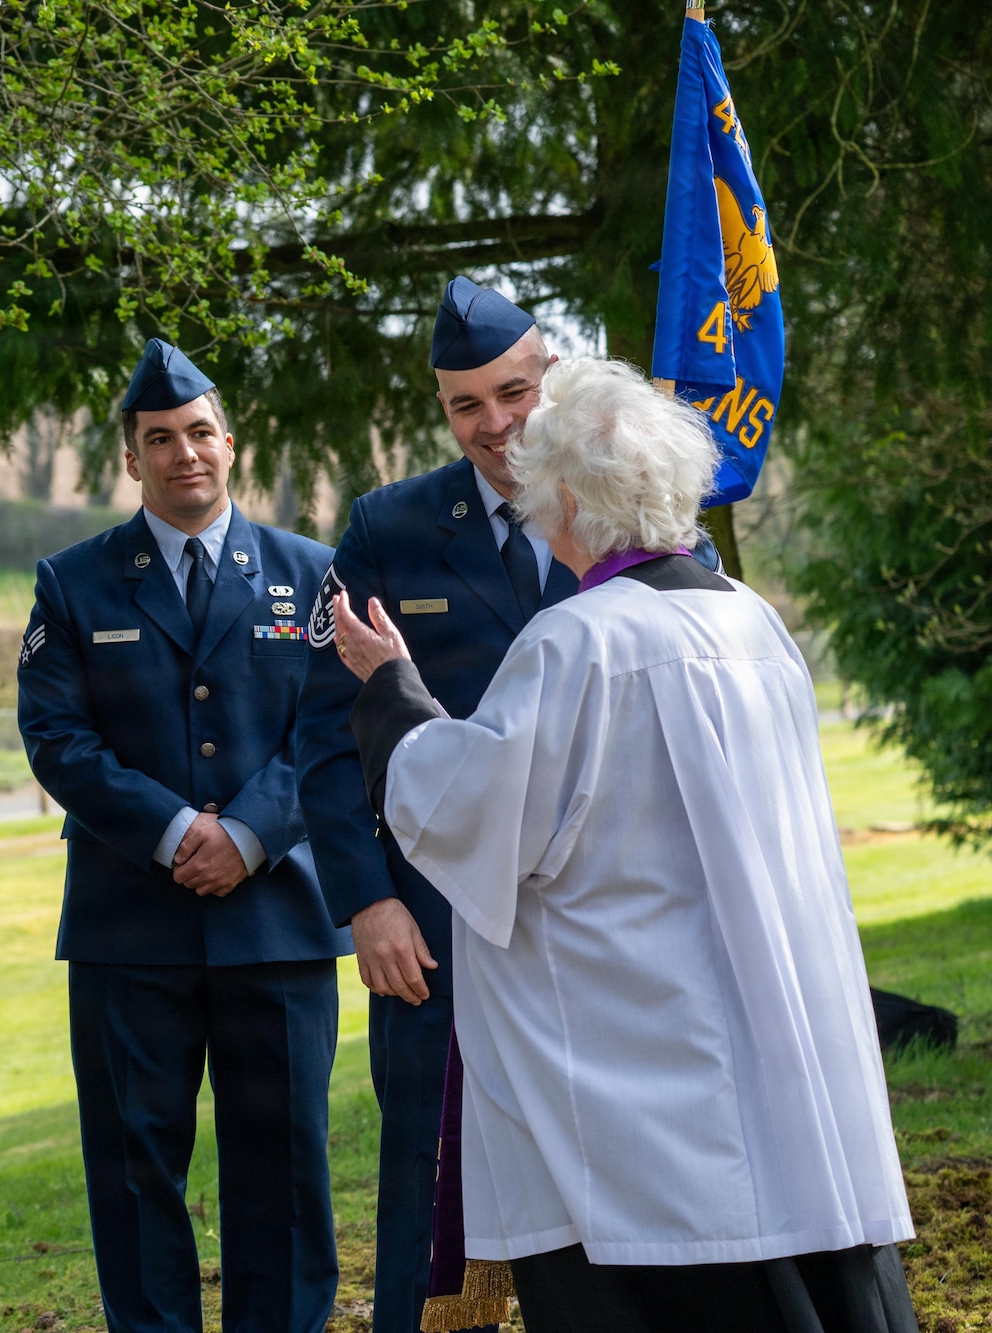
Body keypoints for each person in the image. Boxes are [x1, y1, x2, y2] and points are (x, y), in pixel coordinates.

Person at [334, 356, 918, 1333]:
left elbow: (475, 816)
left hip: (638, 1081)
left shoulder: (577, 643)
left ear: (565, 499)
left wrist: (391, 690)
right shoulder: (750, 625)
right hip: (777, 1039)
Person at [17, 339, 351, 1333]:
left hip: (278, 923)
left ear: (228, 442)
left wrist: (249, 831)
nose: (182, 454)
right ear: (130, 458)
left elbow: (333, 728)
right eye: (157, 438)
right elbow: (56, 739)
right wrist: (172, 833)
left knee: (284, 1168)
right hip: (130, 931)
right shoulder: (73, 583)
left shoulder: (313, 573)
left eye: (198, 432)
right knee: (132, 1171)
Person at [291, 277, 577, 1333]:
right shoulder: (389, 528)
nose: (494, 425)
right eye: (466, 405)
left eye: (511, 393)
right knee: (429, 1160)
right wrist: (366, 901)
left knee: (600, 1152)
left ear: (548, 376)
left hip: (590, 913)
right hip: (434, 923)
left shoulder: (616, 504)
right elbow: (325, 734)